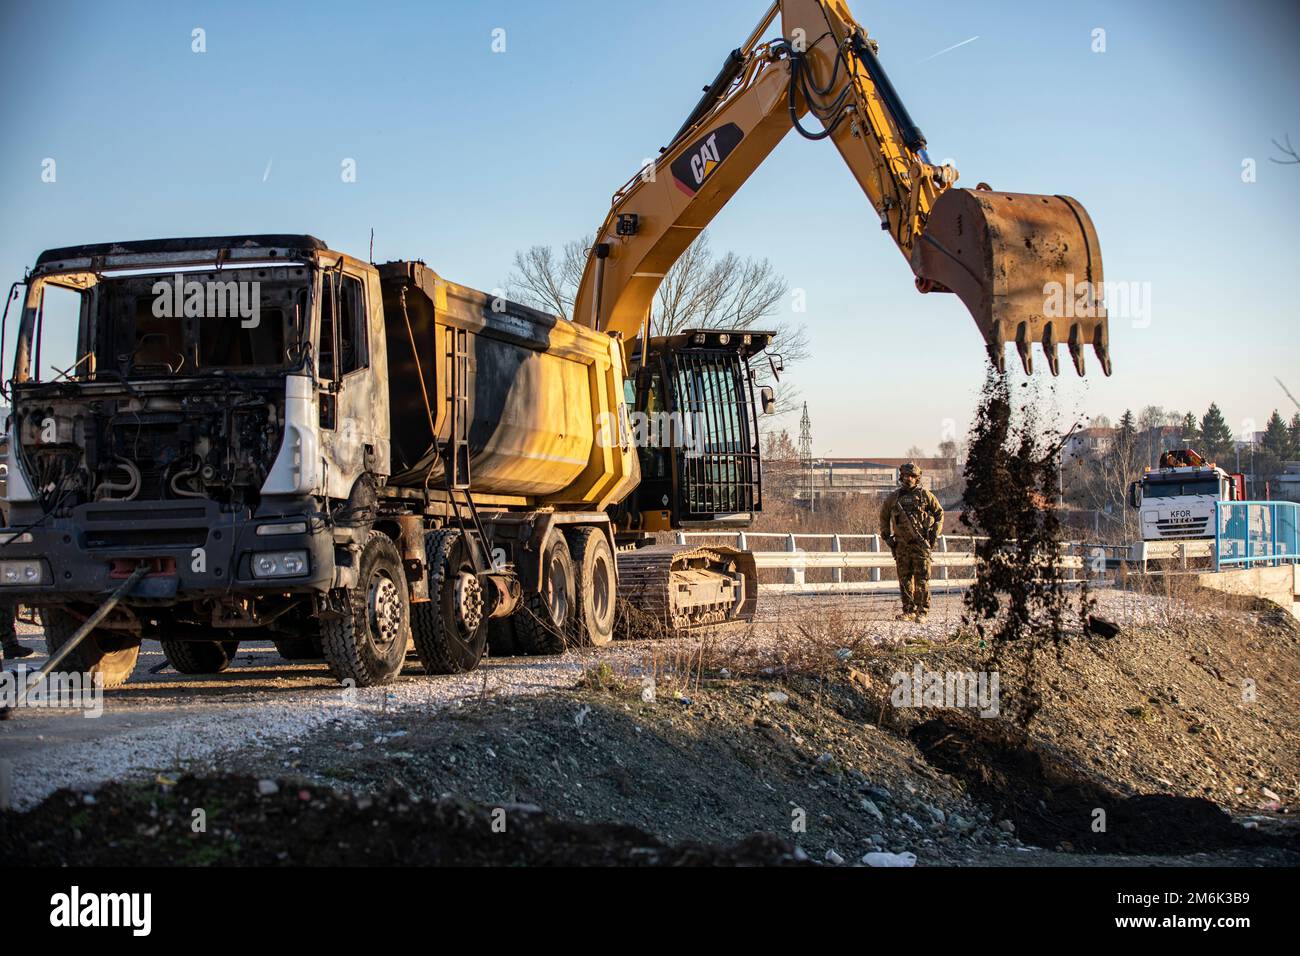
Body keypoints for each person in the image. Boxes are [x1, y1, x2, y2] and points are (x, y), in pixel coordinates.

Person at [878, 463, 944, 623]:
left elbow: (939, 514)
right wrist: (887, 537)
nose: (908, 479)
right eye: (906, 476)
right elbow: (884, 516)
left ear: (917, 478)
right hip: (901, 545)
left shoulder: (925, 496)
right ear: (901, 477)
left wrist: (933, 535)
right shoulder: (894, 498)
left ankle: (922, 611)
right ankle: (909, 610)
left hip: (920, 545)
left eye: (912, 476)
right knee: (905, 579)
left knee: (922, 579)